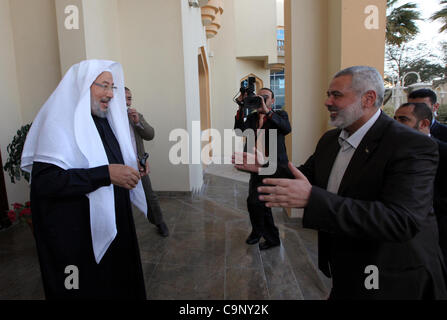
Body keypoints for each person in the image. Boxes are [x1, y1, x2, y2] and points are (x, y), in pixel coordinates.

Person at [234, 66, 447, 299]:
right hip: (345, 266)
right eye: (328, 95)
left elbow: (401, 220)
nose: (327, 102)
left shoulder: (412, 145)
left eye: (336, 95)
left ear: (368, 98)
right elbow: (307, 175)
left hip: (393, 277)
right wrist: (266, 166)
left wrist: (311, 198)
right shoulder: (330, 140)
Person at [21, 60, 148, 299]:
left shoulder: (102, 120)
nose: (110, 94)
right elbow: (46, 182)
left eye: (113, 87)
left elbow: (113, 159)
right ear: (83, 85)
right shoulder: (59, 125)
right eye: (103, 86)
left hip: (115, 222)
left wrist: (133, 167)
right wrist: (106, 175)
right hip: (77, 236)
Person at [234, 87, 291, 250]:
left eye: (266, 97)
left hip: (274, 166)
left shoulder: (280, 115)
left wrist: (267, 112)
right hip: (256, 166)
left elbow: (286, 129)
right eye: (259, 96)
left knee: (257, 202)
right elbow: (239, 131)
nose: (262, 99)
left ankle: (263, 235)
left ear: (272, 101)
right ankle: (264, 234)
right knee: (257, 202)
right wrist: (240, 106)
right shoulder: (252, 117)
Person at [394, 102, 447, 263]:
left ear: (424, 123)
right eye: (394, 119)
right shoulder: (392, 152)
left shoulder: (443, 153)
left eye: (403, 119)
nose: (396, 124)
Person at [125, 87, 169, 237]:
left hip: (139, 164)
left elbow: (150, 135)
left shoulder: (136, 116)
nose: (127, 102)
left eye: (129, 98)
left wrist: (138, 122)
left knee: (149, 195)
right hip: (120, 166)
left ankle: (159, 222)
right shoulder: (109, 119)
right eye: (124, 98)